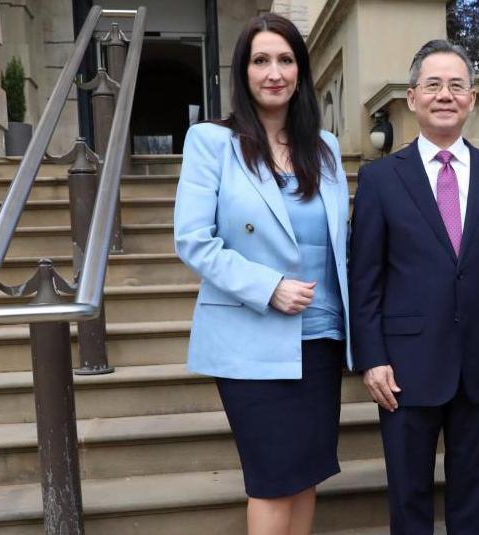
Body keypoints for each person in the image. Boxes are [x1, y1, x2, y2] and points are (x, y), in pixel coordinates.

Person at [349, 39, 479, 534]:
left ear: (472, 98)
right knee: (408, 496)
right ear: (412, 98)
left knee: (476, 491)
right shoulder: (380, 180)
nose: (445, 95)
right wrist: (371, 357)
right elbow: (365, 276)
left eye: (456, 85)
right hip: (404, 368)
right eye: (433, 85)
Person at [173, 13, 350, 535]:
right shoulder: (211, 142)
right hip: (251, 339)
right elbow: (194, 240)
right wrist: (268, 287)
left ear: (301, 70)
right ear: (243, 71)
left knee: (306, 475)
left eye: (286, 60)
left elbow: (342, 243)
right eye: (260, 60)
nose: (274, 72)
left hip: (321, 335)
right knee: (273, 481)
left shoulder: (327, 148)